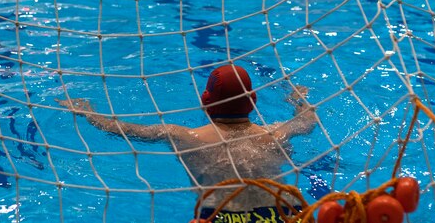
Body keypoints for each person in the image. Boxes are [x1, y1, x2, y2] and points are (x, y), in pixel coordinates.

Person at [57, 64, 317, 221]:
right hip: (283, 212)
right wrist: (298, 99)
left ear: (205, 101)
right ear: (254, 101)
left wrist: (88, 112)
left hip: (220, 216)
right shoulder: (276, 134)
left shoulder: (182, 136)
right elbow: (307, 122)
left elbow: (123, 129)